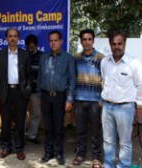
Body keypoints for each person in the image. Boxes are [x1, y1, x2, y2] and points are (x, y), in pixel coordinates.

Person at [101, 30, 142, 168]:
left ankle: (123, 166)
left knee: (125, 142)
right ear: (110, 44)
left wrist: (131, 100)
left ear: (125, 43)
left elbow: (140, 85)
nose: (117, 46)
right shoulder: (104, 62)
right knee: (108, 140)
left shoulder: (134, 63)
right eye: (114, 43)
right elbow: (103, 80)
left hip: (125, 108)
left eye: (120, 43)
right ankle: (108, 165)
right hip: (107, 107)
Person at [37, 30, 76, 165]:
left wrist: (69, 99)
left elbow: (72, 80)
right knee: (48, 126)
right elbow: (40, 77)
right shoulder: (44, 57)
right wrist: (39, 96)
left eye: (55, 40)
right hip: (46, 96)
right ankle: (48, 152)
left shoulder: (67, 58)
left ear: (61, 41)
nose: (53, 43)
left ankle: (59, 153)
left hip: (60, 97)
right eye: (51, 40)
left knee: (59, 127)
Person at [0, 28, 31, 160]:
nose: (13, 38)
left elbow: (29, 75)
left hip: (20, 93)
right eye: (10, 36)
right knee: (6, 121)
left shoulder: (25, 55)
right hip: (5, 92)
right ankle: (6, 147)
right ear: (6, 39)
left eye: (15, 36)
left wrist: (27, 89)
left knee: (20, 122)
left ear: (18, 38)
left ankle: (19, 148)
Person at [73, 29, 104, 167]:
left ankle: (96, 157)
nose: (87, 42)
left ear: (93, 41)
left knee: (95, 131)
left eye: (89, 39)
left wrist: (102, 99)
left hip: (95, 101)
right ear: (81, 41)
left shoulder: (101, 58)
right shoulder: (76, 58)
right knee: (80, 129)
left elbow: (106, 79)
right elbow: (72, 78)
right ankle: (80, 154)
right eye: (84, 39)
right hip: (79, 100)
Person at [25, 34, 43, 144]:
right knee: (21, 113)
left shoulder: (42, 56)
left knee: (36, 113)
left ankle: (32, 135)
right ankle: (19, 135)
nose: (31, 48)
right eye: (29, 46)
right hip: (23, 90)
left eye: (32, 46)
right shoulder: (22, 55)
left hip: (36, 90)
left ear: (36, 45)